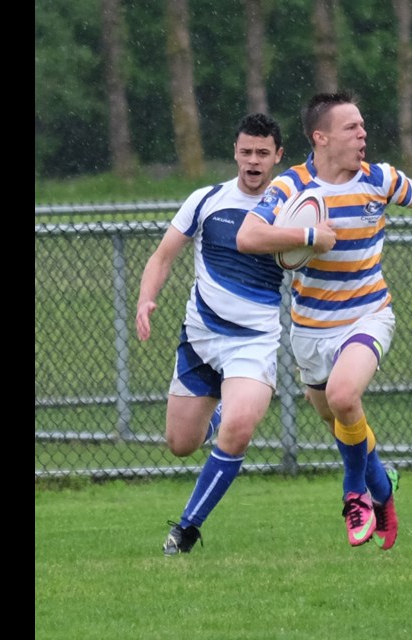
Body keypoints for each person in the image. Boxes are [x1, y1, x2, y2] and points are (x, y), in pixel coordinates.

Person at [236, 91, 412, 549]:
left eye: (363, 126)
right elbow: (248, 236)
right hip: (310, 329)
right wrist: (308, 236)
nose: (363, 135)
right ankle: (383, 490)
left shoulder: (379, 179)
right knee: (341, 422)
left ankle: (354, 493)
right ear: (321, 138)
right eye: (351, 128)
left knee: (344, 397)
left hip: (368, 315)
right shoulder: (291, 186)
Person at [136, 113, 307, 555]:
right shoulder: (205, 199)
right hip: (199, 340)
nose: (253, 161)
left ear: (278, 157)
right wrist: (146, 299)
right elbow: (162, 257)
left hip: (253, 342)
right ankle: (213, 418)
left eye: (262, 153)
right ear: (234, 151)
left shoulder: (291, 207)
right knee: (180, 444)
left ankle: (186, 530)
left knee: (240, 428)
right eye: (246, 151)